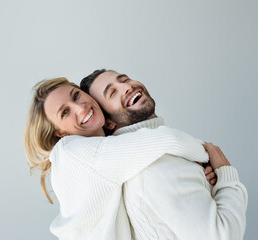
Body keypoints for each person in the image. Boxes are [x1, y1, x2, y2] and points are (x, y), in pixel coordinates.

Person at [25, 77, 212, 239]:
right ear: (60, 133)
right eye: (65, 112)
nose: (80, 107)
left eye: (76, 95)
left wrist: (197, 169)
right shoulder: (71, 152)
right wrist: (210, 156)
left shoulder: (109, 150)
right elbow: (168, 139)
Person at [80, 69, 248, 240]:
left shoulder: (168, 153)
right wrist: (226, 175)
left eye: (125, 79)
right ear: (108, 123)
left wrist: (211, 185)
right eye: (113, 92)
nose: (127, 87)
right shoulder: (154, 167)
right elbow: (224, 236)